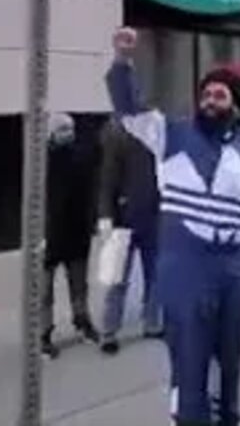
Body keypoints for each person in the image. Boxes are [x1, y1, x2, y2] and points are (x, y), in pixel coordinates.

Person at [105, 27, 240, 426]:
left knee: (230, 352)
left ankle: (229, 416)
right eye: (206, 94)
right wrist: (123, 61)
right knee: (190, 353)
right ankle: (190, 417)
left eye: (220, 95)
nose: (210, 100)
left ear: (234, 104)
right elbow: (129, 107)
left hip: (234, 266)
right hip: (186, 263)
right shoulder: (170, 134)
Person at [97, 116, 162, 355]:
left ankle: (151, 323)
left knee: (154, 275)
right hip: (125, 217)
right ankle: (109, 331)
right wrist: (106, 214)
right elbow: (108, 178)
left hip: (153, 215)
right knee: (118, 278)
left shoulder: (156, 133)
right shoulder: (118, 133)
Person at [42, 112, 100, 358]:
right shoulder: (41, 162)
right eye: (62, 129)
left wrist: (91, 222)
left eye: (70, 129)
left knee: (79, 285)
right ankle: (43, 333)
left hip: (76, 231)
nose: (68, 134)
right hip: (49, 234)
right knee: (44, 290)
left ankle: (82, 320)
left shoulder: (81, 159)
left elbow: (90, 192)